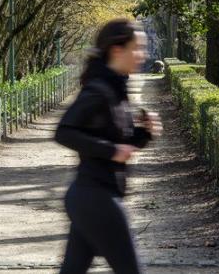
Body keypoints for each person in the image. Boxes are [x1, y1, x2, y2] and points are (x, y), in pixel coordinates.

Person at [55, 18, 160, 274]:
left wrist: (144, 134)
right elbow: (64, 132)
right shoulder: (99, 90)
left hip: (91, 197)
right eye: (137, 48)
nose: (142, 55)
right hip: (96, 197)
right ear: (117, 50)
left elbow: (122, 143)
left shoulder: (116, 88)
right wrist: (112, 151)